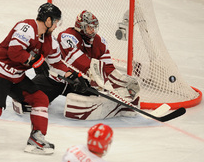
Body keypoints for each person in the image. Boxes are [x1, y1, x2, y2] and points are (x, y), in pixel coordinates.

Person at [0, 3, 85, 159]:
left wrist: (72, 75)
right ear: (47, 20)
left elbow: (56, 63)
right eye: (55, 21)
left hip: (15, 77)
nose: (56, 25)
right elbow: (14, 52)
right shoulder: (27, 27)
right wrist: (34, 60)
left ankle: (36, 139)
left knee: (40, 98)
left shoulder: (50, 41)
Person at [11, 10, 140, 120]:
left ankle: (119, 105)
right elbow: (80, 63)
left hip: (81, 84)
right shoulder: (68, 37)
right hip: (57, 79)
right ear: (81, 26)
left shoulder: (100, 42)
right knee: (25, 99)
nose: (93, 30)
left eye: (94, 27)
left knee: (93, 99)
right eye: (89, 27)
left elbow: (108, 68)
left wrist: (118, 82)